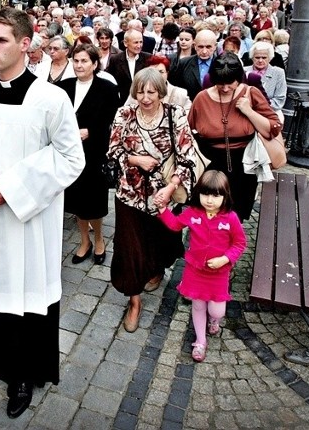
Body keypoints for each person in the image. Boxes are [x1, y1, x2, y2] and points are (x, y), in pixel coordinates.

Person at [0, 8, 84, 419]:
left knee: (29, 300)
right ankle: (4, 369)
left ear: (26, 44)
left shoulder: (51, 99)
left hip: (33, 218)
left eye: (1, 40)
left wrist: (12, 187)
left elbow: (70, 157)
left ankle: (27, 375)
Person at [106, 68, 196, 334]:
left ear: (161, 91)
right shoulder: (125, 114)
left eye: (151, 92)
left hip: (162, 194)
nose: (145, 98)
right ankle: (134, 301)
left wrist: (171, 187)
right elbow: (113, 149)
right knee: (129, 248)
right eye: (141, 91)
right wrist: (135, 159)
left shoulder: (174, 114)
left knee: (161, 240)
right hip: (129, 193)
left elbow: (187, 155)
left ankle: (156, 269)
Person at [157, 170, 246, 362]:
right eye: (205, 194)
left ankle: (214, 321)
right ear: (198, 194)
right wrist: (163, 210)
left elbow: (239, 243)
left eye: (216, 195)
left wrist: (225, 259)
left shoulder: (230, 218)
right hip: (195, 270)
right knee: (197, 305)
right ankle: (200, 341)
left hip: (219, 273)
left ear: (225, 196)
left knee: (217, 310)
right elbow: (175, 225)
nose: (210, 200)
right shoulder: (193, 213)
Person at [187, 53, 281, 222]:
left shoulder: (251, 93)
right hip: (210, 164)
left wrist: (249, 112)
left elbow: (273, 129)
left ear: (239, 79)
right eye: (220, 83)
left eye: (230, 83)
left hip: (243, 164)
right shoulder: (202, 98)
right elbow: (187, 130)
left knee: (235, 215)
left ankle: (232, 246)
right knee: (209, 213)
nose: (224, 88)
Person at [57, 44, 118, 266]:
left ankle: (99, 239)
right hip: (69, 153)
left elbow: (112, 122)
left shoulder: (107, 88)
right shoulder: (63, 87)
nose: (79, 65)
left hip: (94, 153)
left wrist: (91, 131)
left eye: (84, 61)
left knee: (94, 200)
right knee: (76, 200)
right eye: (76, 60)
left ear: (94, 64)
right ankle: (84, 242)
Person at [245, 41, 287, 121]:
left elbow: (280, 100)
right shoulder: (244, 71)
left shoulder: (278, 72)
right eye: (257, 57)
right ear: (252, 57)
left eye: (264, 58)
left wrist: (259, 106)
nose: (260, 60)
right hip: (246, 110)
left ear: (270, 58)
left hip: (270, 111)